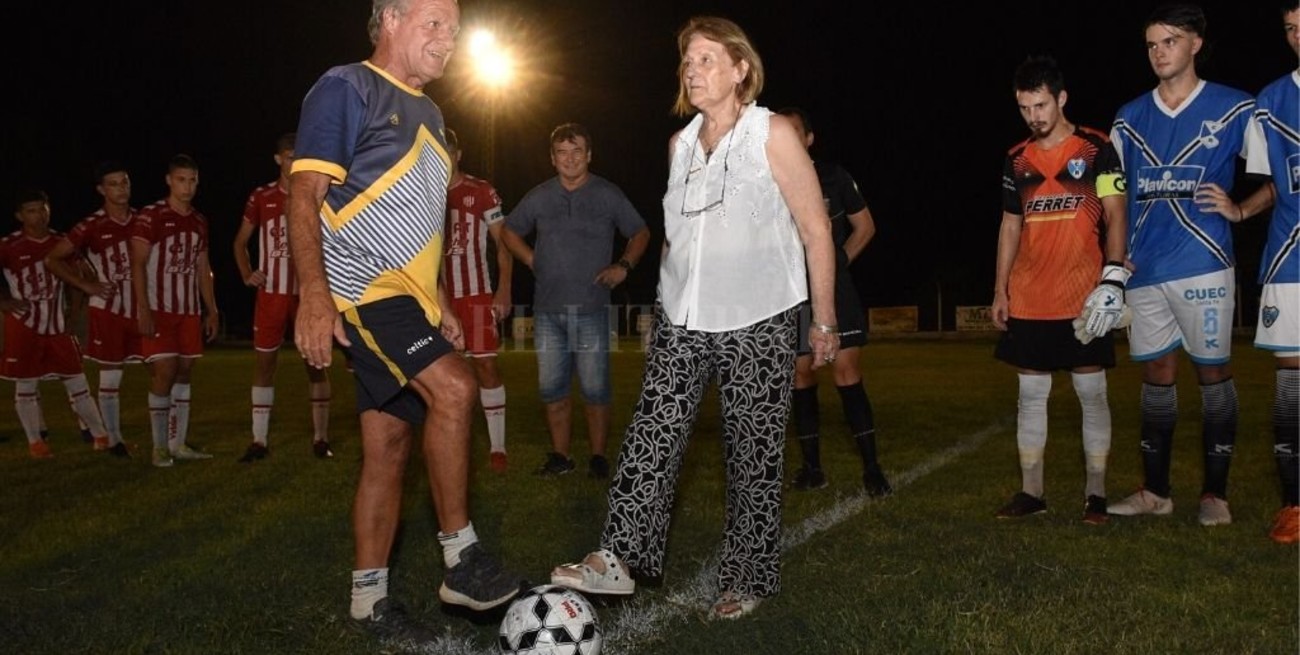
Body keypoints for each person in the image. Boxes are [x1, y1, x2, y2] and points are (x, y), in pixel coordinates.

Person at [549, 15, 840, 620]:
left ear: (740, 69)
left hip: (761, 315)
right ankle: (619, 557)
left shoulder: (773, 132)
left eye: (707, 58)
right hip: (682, 318)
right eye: (688, 60)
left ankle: (748, 577)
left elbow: (816, 230)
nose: (693, 68)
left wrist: (824, 320)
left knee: (753, 450)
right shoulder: (679, 145)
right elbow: (679, 239)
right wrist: (661, 305)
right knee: (651, 433)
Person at [286, 0, 522, 645]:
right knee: (456, 388)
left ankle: (370, 601)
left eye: (454, 27)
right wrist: (313, 293)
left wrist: (440, 297)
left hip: (410, 299)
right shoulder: (346, 86)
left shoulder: (435, 115)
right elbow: (303, 193)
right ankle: (461, 556)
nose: (448, 41)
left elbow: (423, 219)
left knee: (388, 451)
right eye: (434, 23)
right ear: (390, 18)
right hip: (362, 290)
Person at [1106, 3, 1257, 527]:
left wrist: (1241, 209)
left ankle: (1215, 494)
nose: (1158, 52)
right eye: (1151, 44)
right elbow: (1115, 196)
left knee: (1212, 373)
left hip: (1204, 263)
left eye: (1168, 41)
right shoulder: (1128, 118)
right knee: (1157, 374)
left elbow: (1279, 172)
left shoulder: (1236, 108)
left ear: (1195, 42)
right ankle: (1156, 491)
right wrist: (1113, 259)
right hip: (1145, 266)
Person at [988, 56, 1128, 524]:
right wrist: (1000, 290)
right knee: (1030, 396)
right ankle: (1032, 492)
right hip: (1029, 294)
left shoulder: (1097, 148)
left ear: (1061, 98)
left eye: (1041, 105)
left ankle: (1096, 494)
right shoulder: (1016, 158)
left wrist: (1112, 276)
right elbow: (1010, 226)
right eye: (1025, 107)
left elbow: (1116, 213)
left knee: (1092, 393)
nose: (1034, 116)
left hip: (1081, 297)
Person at [1196, 1, 1299, 543]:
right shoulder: (1272, 103)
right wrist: (1238, 210)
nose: (1297, 35)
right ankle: (1294, 504)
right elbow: (1275, 184)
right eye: (1289, 28)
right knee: (1291, 383)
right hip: (1290, 258)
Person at [501, 123, 650, 479]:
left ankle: (598, 457)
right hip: (548, 310)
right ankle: (560, 456)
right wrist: (530, 258)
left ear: (589, 155)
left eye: (577, 151)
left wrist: (623, 266)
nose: (570, 159)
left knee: (596, 388)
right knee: (552, 389)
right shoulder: (539, 196)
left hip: (591, 309)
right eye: (562, 153)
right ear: (553, 159)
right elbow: (508, 229)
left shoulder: (607, 194)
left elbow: (640, 232)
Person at [774, 106, 891, 497]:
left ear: (808, 139)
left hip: (834, 292)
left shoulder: (834, 176)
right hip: (790, 296)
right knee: (801, 376)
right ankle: (812, 469)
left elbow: (865, 227)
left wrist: (836, 262)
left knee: (846, 374)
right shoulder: (767, 181)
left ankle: (872, 469)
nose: (787, 139)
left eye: (794, 132)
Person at [233, 132, 333, 463]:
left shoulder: (318, 193)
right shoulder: (262, 196)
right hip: (272, 294)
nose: (294, 162)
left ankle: (321, 437)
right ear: (279, 159)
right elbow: (239, 242)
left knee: (316, 363)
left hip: (306, 296)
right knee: (265, 365)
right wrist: (248, 272)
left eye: (299, 156)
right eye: (289, 156)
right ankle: (258, 440)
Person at [0, 189, 112, 459]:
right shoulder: (9, 245)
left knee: (78, 383)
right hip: (24, 324)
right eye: (31, 210)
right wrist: (3, 301)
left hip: (57, 325)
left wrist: (75, 310)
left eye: (43, 208)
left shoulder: (61, 242)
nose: (39, 215)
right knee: (26, 385)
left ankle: (101, 437)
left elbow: (80, 275)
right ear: (19, 216)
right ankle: (36, 443)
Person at [43, 161, 140, 458]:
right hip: (108, 309)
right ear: (101, 190)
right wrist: (86, 286)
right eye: (113, 184)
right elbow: (53, 259)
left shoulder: (144, 220)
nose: (121, 188)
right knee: (111, 376)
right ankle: (114, 440)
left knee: (165, 370)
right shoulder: (91, 225)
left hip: (144, 307)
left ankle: (171, 441)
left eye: (124, 182)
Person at [130, 154, 221, 467]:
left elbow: (202, 266)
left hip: (187, 310)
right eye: (181, 179)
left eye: (193, 180)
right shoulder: (151, 215)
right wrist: (143, 307)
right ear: (169, 180)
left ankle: (178, 443)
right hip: (159, 308)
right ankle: (159, 448)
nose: (188, 186)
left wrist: (212, 308)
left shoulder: (198, 221)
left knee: (184, 371)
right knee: (165, 371)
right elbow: (138, 263)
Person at [441, 127, 512, 473]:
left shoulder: (480, 190)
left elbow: (503, 243)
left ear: (458, 154)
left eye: (448, 151)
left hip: (478, 295)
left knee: (485, 366)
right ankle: (453, 443)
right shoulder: (424, 193)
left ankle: (497, 446)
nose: (444, 158)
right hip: (438, 300)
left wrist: (504, 289)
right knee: (446, 374)